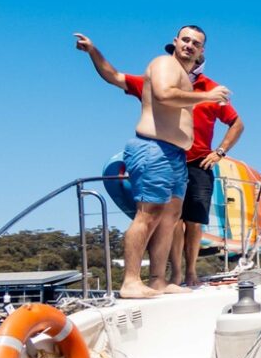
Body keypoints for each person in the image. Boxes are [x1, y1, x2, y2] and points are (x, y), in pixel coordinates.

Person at [77, 32, 243, 288]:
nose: (189, 46)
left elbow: (236, 123)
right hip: (157, 149)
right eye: (185, 40)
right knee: (151, 215)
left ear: (202, 52)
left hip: (187, 158)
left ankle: (162, 280)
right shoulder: (164, 68)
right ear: (174, 43)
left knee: (176, 219)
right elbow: (119, 78)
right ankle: (133, 280)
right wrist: (94, 52)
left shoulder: (207, 85)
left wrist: (220, 151)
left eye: (196, 43)